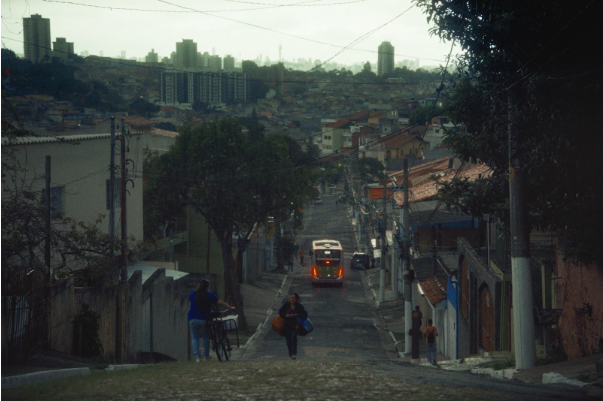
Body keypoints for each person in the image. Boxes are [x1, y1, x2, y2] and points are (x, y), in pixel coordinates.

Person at [188, 280, 235, 362]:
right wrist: (230, 307)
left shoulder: (192, 293)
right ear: (207, 287)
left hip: (192, 318)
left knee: (195, 337)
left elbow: (190, 305)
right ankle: (206, 356)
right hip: (203, 319)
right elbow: (220, 302)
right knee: (205, 337)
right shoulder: (208, 295)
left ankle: (197, 357)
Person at [278, 293, 308, 360]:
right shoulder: (287, 304)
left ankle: (294, 353)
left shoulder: (299, 306)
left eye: (293, 298)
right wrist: (285, 315)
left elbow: (305, 315)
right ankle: (290, 353)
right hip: (287, 324)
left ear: (297, 299)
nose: (291, 299)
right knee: (288, 339)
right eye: (291, 297)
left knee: (293, 337)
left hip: (295, 325)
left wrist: (297, 315)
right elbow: (280, 312)